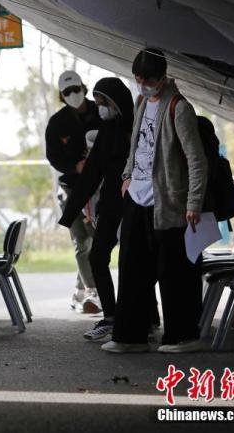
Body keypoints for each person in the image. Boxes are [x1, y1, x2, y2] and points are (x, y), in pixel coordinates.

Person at [101, 48, 208, 354]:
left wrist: (193, 203)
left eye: (148, 80)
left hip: (168, 202)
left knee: (173, 273)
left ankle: (182, 336)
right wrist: (127, 176)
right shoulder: (140, 102)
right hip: (136, 197)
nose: (143, 84)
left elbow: (197, 160)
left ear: (162, 77)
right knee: (132, 269)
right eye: (138, 79)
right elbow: (135, 146)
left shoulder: (179, 107)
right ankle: (129, 336)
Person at [60, 77, 154, 341]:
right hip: (111, 206)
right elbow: (92, 174)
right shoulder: (106, 132)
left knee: (136, 262)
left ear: (116, 102)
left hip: (137, 205)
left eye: (103, 102)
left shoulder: (136, 130)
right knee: (97, 257)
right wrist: (70, 213)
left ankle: (147, 318)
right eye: (98, 102)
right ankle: (111, 317)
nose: (99, 107)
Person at [45, 70, 102, 313]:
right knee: (81, 240)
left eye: (76, 89)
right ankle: (92, 291)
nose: (73, 94)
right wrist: (74, 167)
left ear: (83, 88)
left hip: (100, 189)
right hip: (71, 189)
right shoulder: (57, 123)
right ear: (61, 95)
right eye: (67, 92)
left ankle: (80, 289)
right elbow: (53, 156)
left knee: (97, 240)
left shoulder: (100, 113)